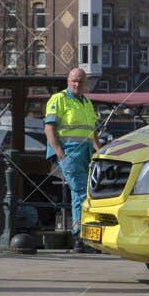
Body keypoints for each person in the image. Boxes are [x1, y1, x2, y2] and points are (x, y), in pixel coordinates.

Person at [43, 67, 100, 252]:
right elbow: (49, 129)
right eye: (74, 81)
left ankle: (80, 237)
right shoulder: (58, 99)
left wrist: (100, 152)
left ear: (85, 84)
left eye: (80, 81)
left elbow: (92, 132)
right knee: (82, 192)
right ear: (68, 81)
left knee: (81, 194)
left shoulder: (87, 102)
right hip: (69, 153)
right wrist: (61, 155)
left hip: (86, 153)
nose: (77, 84)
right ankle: (83, 237)